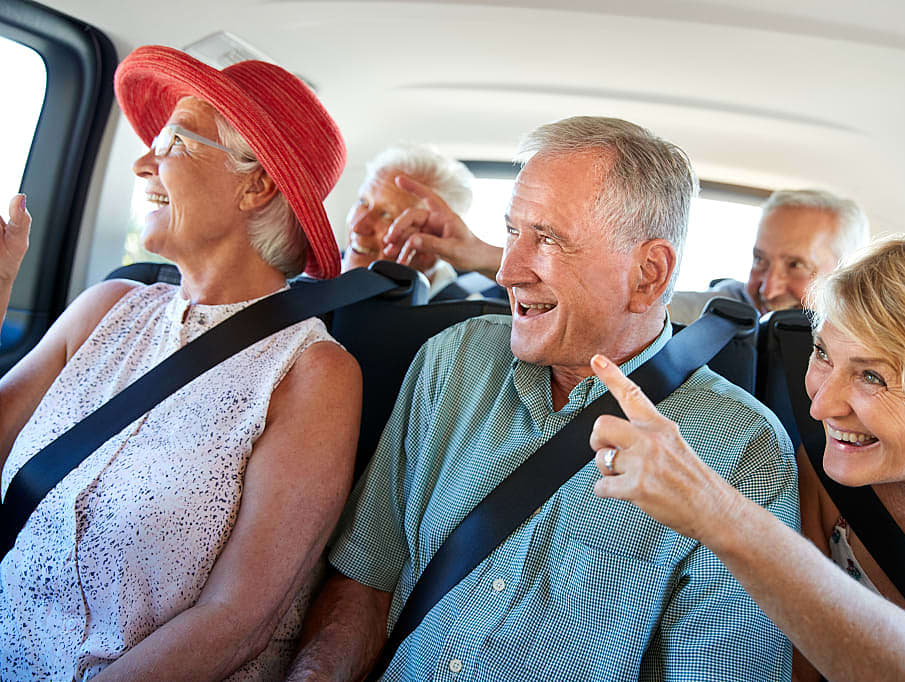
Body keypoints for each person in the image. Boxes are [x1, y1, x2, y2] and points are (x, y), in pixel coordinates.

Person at [288, 116, 799, 681]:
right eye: (512, 232)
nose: (506, 270)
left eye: (548, 239)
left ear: (648, 275)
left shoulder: (743, 447)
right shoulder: (451, 361)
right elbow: (367, 579)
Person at [0, 45, 362, 680]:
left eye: (173, 143)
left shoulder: (311, 373)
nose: (143, 163)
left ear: (257, 184)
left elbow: (237, 620)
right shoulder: (104, 307)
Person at [588, 229, 905, 681]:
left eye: (873, 376)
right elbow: (794, 663)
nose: (820, 408)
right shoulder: (824, 469)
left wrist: (713, 509)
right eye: (823, 353)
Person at [668, 189, 869, 323]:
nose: (768, 290)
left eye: (795, 265)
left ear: (846, 275)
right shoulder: (722, 312)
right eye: (760, 260)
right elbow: (665, 313)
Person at [341, 145, 484, 299]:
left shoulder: (467, 317)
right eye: (363, 202)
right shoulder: (319, 276)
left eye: (387, 215)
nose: (358, 227)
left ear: (430, 250)